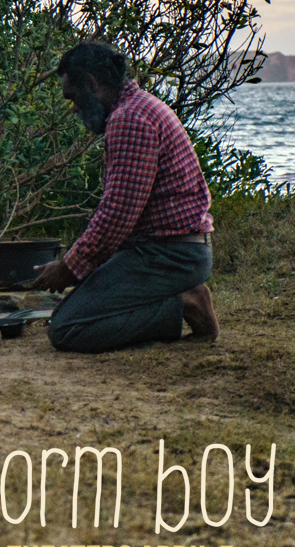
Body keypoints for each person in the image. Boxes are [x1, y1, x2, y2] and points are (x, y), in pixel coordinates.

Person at [34, 42, 219, 352]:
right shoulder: (138, 107)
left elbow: (116, 217)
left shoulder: (129, 120)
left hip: (169, 257)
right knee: (78, 305)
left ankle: (184, 303)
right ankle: (178, 300)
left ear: (92, 85)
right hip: (168, 250)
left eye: (74, 97)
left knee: (66, 328)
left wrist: (68, 268)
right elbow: (119, 215)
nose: (74, 109)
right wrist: (84, 270)